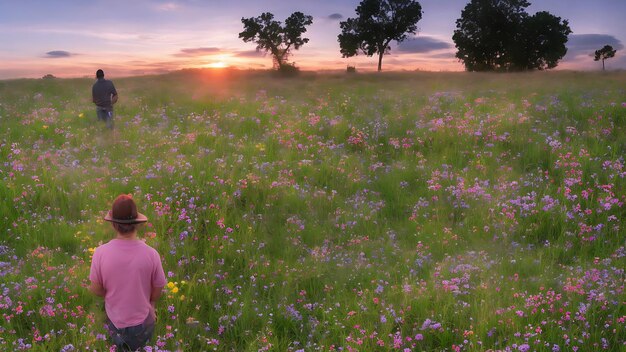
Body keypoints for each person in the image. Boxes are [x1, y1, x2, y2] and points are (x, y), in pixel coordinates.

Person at [89, 194, 167, 351]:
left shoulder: (100, 253)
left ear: (113, 225)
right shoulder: (151, 254)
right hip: (142, 323)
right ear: (137, 224)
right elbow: (157, 291)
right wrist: (150, 303)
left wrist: (113, 294)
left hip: (114, 321)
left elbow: (96, 289)